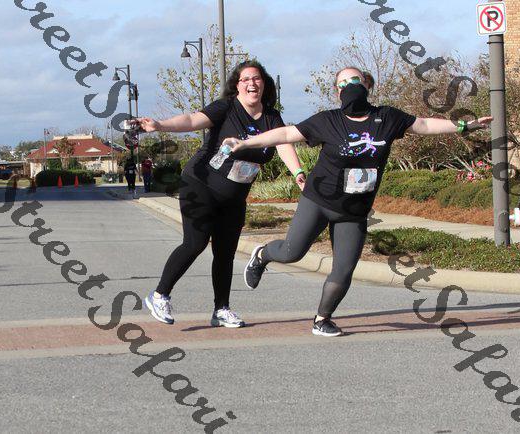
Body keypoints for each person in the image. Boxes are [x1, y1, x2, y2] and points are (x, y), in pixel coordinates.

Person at [224, 66, 493, 337]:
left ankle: (322, 319)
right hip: (318, 201)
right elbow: (285, 134)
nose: (350, 85)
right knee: (291, 253)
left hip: (353, 211)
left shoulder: (387, 117)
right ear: (337, 92)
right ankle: (262, 255)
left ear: (367, 84)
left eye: (355, 79)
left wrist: (463, 126)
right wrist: (246, 143)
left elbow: (423, 125)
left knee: (343, 270)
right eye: (343, 83)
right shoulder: (328, 121)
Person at [135, 60, 305, 328]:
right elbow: (192, 120)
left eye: (257, 78)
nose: (252, 83)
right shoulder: (226, 107)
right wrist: (160, 125)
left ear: (264, 84)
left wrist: (298, 173)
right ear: (237, 85)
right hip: (199, 184)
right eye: (245, 79)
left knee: (225, 253)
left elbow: (283, 142)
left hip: (234, 196)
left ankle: (221, 309)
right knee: (196, 242)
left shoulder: (272, 117)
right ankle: (159, 296)